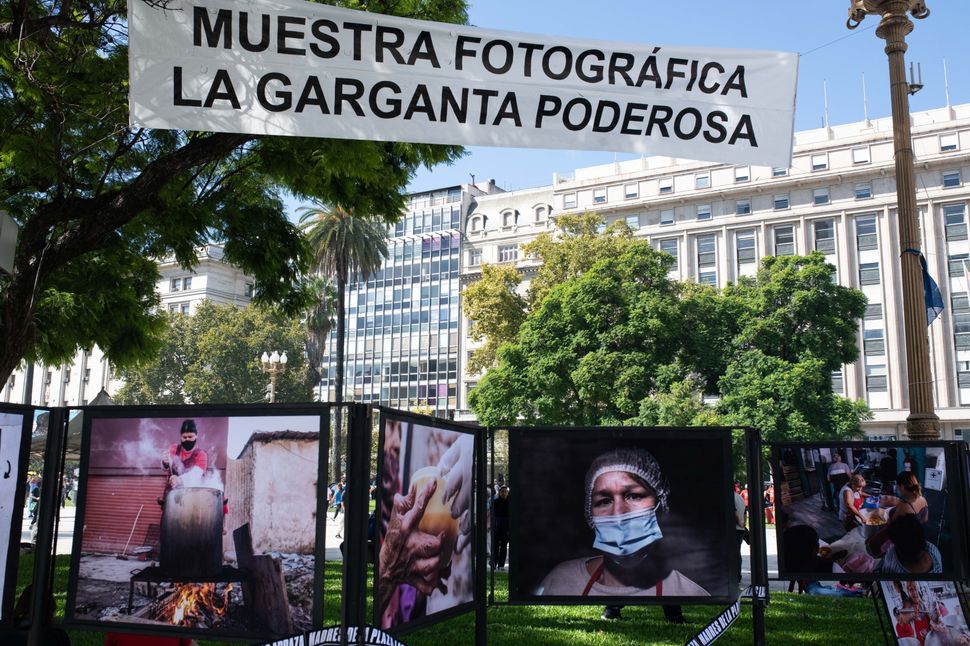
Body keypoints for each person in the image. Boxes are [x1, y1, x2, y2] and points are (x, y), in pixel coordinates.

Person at [538, 447, 708, 597]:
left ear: (661, 504)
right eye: (604, 501)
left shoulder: (687, 593)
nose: (618, 513)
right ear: (590, 513)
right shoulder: (560, 581)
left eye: (633, 496)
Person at [781, 525, 862, 597]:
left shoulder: (801, 560)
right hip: (813, 586)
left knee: (824, 589)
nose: (819, 546)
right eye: (817, 545)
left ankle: (857, 592)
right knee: (819, 591)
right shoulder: (804, 563)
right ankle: (859, 593)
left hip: (815, 583)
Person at [159, 419, 207, 504]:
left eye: (190, 437)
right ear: (180, 436)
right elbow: (165, 468)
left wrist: (179, 480)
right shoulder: (174, 448)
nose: (187, 439)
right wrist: (165, 462)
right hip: (171, 496)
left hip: (191, 498)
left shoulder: (201, 454)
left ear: (196, 436)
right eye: (184, 437)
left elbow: (196, 475)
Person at [492, 486, 510, 570]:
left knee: (503, 545)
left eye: (505, 492)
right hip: (497, 524)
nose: (504, 493)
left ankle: (501, 564)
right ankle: (493, 562)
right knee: (495, 544)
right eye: (502, 491)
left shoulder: (510, 502)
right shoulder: (495, 502)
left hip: (506, 525)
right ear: (499, 493)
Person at [734, 485, 747, 581]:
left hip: (734, 529)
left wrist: (739, 522)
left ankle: (736, 576)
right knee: (737, 553)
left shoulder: (730, 497)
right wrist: (743, 523)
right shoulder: (739, 497)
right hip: (741, 530)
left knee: (734, 554)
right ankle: (738, 575)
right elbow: (745, 513)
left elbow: (734, 512)